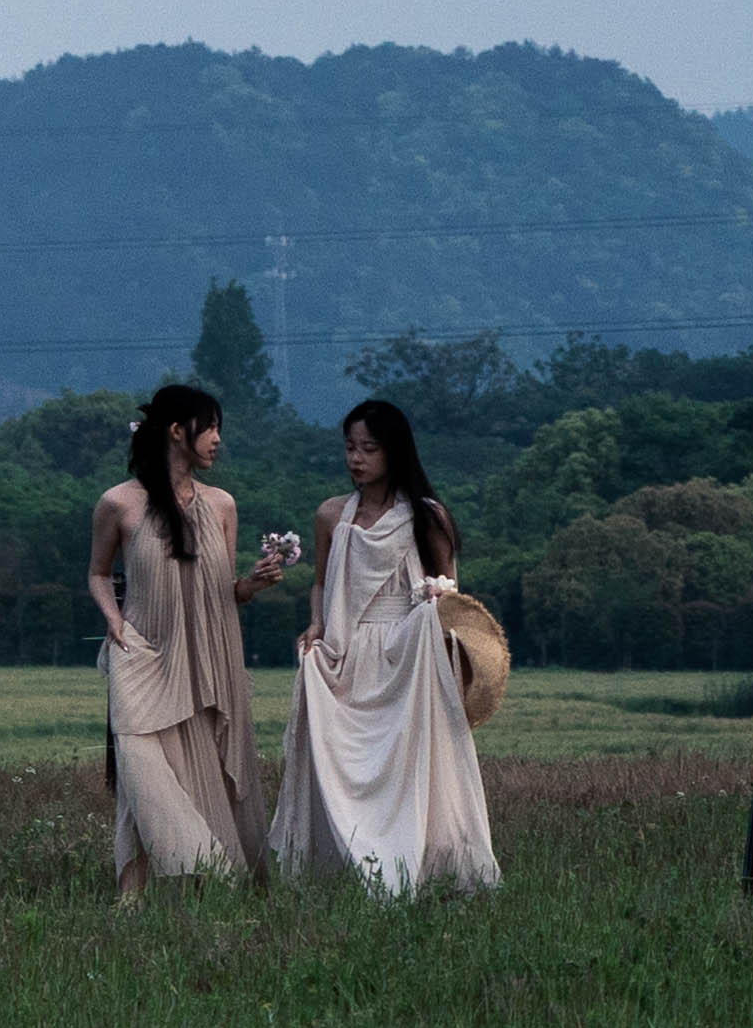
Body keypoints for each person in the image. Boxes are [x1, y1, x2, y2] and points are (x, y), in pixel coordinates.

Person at [270, 396, 503, 899]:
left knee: (407, 763)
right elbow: (321, 582)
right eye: (350, 447)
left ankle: (418, 868)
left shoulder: (427, 516)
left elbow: (448, 593)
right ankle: (346, 869)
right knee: (346, 763)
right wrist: (315, 625)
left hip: (408, 655)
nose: (356, 458)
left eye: (369, 448)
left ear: (393, 452)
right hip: (350, 650)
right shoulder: (332, 515)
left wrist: (440, 635)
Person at [88, 380, 290, 890]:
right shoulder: (119, 503)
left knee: (209, 767)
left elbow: (226, 591)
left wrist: (254, 582)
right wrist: (113, 619)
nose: (218, 438)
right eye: (211, 427)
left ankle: (209, 877)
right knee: (139, 767)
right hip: (144, 653)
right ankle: (134, 888)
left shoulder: (222, 504)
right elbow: (97, 572)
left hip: (210, 657)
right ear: (178, 432)